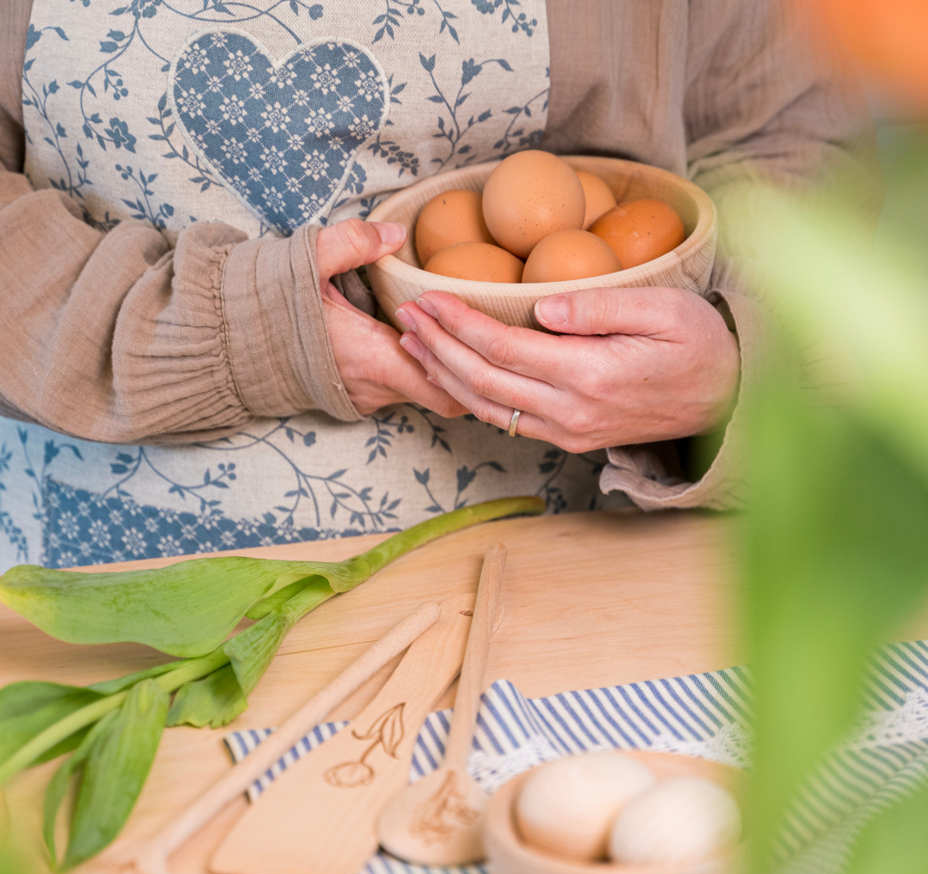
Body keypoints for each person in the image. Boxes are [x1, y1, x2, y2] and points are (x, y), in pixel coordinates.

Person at [0, 0, 875, 571]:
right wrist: (244, 335)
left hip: (582, 576)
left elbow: (790, 137)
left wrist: (738, 366)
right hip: (104, 581)